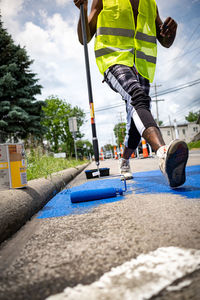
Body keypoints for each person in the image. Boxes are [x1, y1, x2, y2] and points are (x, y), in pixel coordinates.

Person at [74, 0, 189, 187]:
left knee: (137, 121)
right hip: (113, 59)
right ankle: (162, 154)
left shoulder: (150, 4)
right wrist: (84, 9)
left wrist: (171, 33)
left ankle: (125, 160)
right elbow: (84, 38)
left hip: (142, 66)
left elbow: (165, 41)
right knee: (137, 97)